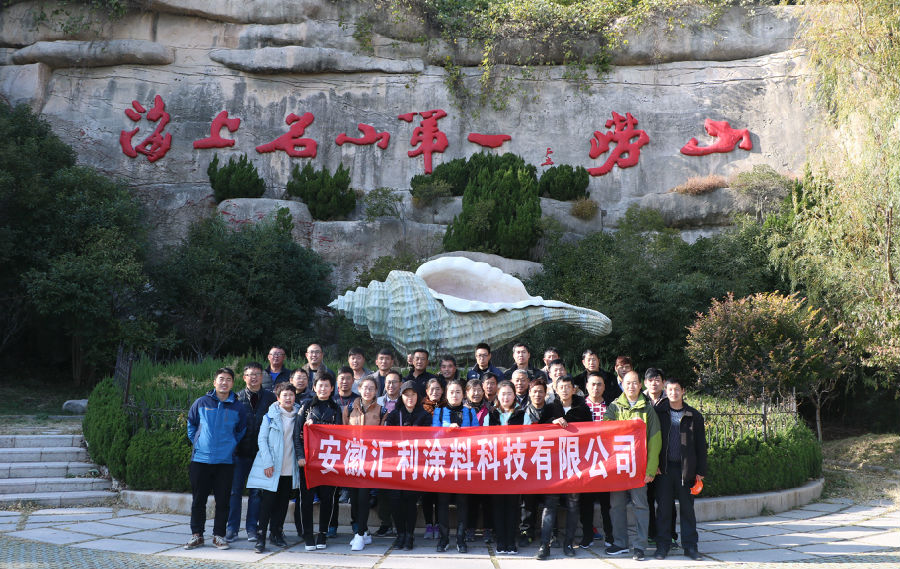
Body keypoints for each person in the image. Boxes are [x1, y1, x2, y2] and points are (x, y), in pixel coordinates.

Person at [185, 367, 248, 550]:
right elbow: (191, 425)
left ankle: (219, 535)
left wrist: (229, 446)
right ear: (214, 382)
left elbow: (241, 431)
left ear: (232, 383)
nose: (224, 382)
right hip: (200, 460)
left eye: (228, 379)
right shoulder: (201, 402)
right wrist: (199, 443)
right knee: (198, 500)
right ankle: (197, 535)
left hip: (225, 462)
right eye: (221, 379)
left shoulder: (238, 407)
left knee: (223, 501)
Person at [603, 370, 661, 561]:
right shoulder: (614, 407)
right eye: (628, 383)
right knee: (616, 506)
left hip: (639, 468)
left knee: (641, 506)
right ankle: (620, 543)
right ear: (622, 385)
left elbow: (655, 440)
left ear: (640, 385)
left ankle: (640, 546)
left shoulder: (647, 409)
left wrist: (651, 469)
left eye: (635, 383)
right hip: (618, 467)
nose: (631, 386)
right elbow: (604, 433)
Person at [653, 377, 707, 561]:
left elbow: (701, 445)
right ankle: (663, 545)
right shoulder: (659, 412)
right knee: (664, 510)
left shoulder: (693, 415)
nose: (673, 393)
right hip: (664, 469)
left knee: (687, 509)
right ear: (665, 392)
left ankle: (690, 546)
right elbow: (651, 441)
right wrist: (654, 465)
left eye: (677, 389)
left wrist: (701, 470)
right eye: (670, 390)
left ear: (683, 391)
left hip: (686, 470)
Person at [246, 383, 300, 553]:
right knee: (267, 503)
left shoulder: (299, 415)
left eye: (291, 395)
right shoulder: (270, 416)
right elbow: (262, 440)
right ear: (278, 398)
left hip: (289, 466)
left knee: (283, 503)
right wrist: (268, 462)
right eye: (285, 395)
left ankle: (276, 533)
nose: (288, 398)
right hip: (273, 466)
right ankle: (261, 536)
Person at [226, 363, 277, 543]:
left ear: (262, 377)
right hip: (239, 453)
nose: (253, 377)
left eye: (257, 374)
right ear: (244, 377)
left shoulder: (271, 398)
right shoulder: (236, 398)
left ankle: (252, 528)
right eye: (250, 374)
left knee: (256, 494)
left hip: (261, 454)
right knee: (235, 492)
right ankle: (231, 528)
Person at [295, 371, 342, 551]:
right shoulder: (306, 406)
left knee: (327, 498)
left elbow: (339, 433)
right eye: (320, 385)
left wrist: (319, 427)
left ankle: (322, 533)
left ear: (332, 388)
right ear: (314, 387)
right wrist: (300, 456)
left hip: (328, 460)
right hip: (308, 460)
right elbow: (296, 434)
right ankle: (308, 534)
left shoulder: (336, 408)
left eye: (326, 385)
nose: (323, 389)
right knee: (306, 499)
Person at [383, 380, 432, 550]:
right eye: (406, 395)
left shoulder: (425, 416)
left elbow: (427, 440)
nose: (409, 398)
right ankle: (400, 534)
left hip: (415, 465)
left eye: (413, 394)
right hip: (396, 464)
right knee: (395, 499)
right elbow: (386, 439)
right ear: (401, 396)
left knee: (410, 500)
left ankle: (409, 535)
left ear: (418, 396)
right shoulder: (394, 415)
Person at [432, 379, 478, 553]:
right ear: (446, 394)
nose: (455, 395)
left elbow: (477, 436)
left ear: (463, 394)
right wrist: (446, 431)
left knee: (462, 501)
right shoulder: (439, 411)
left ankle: (460, 538)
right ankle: (443, 538)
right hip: (443, 462)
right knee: (442, 502)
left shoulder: (471, 412)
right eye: (451, 392)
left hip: (464, 462)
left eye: (458, 392)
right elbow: (433, 434)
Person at [483, 381, 525, 555]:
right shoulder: (490, 415)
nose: (506, 397)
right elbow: (484, 440)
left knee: (513, 505)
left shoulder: (522, 415)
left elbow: (529, 438)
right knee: (498, 504)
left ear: (514, 396)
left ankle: (511, 541)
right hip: (496, 466)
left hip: (515, 465)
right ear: (497, 396)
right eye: (503, 394)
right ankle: (501, 540)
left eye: (509, 393)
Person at [343, 376, 382, 551]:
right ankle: (363, 530)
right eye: (365, 387)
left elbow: (385, 435)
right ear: (359, 389)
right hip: (352, 458)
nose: (367, 391)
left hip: (370, 459)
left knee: (363, 497)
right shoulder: (350, 408)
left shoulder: (381, 410)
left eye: (371, 388)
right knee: (354, 498)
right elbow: (342, 432)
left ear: (376, 391)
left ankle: (359, 535)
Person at [579, 371, 613, 549]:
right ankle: (587, 535)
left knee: (607, 501)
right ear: (586, 386)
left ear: (604, 387)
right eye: (592, 384)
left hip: (607, 459)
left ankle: (610, 535)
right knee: (586, 500)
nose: (596, 388)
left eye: (599, 384)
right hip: (585, 460)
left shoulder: (612, 406)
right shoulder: (580, 406)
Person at [642, 367, 671, 547]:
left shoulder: (671, 401)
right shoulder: (640, 401)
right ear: (645, 382)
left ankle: (669, 534)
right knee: (648, 500)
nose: (654, 383)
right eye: (650, 380)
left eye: (657, 379)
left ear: (663, 382)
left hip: (665, 458)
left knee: (665, 500)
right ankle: (652, 533)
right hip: (645, 459)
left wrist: (660, 462)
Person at [331, 366, 360, 532]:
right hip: (334, 448)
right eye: (342, 378)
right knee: (333, 489)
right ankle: (332, 524)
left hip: (354, 448)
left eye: (348, 378)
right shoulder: (331, 399)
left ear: (353, 381)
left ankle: (356, 523)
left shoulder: (358, 400)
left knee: (355, 489)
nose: (345, 381)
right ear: (337, 381)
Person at [464, 377, 492, 544]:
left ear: (483, 391)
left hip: (487, 457)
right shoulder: (462, 410)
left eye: (478, 390)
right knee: (471, 497)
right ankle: (470, 528)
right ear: (466, 393)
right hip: (467, 459)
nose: (476, 393)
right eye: (472, 390)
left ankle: (488, 529)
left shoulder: (490, 409)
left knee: (488, 497)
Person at [419, 377, 443, 539]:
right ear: (427, 391)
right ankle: (429, 524)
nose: (435, 392)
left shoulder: (447, 407)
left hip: (443, 455)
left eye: (438, 389)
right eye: (432, 389)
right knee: (427, 492)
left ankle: (440, 524)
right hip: (425, 455)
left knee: (440, 493)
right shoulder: (421, 408)